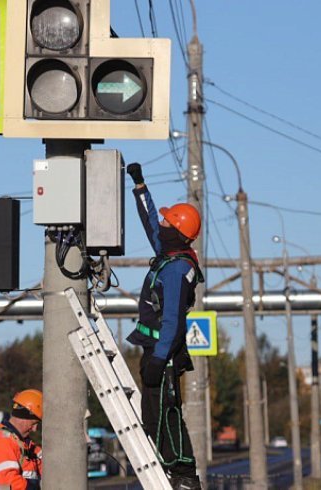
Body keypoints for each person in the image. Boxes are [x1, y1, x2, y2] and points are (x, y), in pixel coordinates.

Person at [125, 162, 204, 490]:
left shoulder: (176, 270)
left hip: (164, 352)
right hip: (154, 349)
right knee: (151, 412)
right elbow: (150, 220)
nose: (161, 223)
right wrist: (140, 185)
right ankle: (166, 464)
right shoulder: (169, 250)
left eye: (167, 221)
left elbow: (172, 319)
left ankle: (183, 474)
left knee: (165, 412)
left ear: (179, 231)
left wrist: (159, 360)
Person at [0, 389, 43, 489]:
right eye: (34, 423)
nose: (35, 429)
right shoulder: (2, 443)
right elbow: (11, 484)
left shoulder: (23, 443)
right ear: (23, 418)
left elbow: (46, 465)